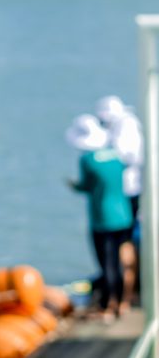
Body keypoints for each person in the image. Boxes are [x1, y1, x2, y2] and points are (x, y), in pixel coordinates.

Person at [66, 113, 133, 320]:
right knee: (125, 259)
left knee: (108, 263)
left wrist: (73, 185)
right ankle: (124, 302)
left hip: (103, 219)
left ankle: (108, 305)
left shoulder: (87, 160)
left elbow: (86, 185)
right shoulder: (114, 153)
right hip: (124, 214)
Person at [96, 95, 143, 309]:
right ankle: (124, 290)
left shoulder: (126, 129)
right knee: (126, 242)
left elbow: (128, 157)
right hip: (126, 193)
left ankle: (122, 293)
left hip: (126, 194)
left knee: (123, 244)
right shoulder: (128, 125)